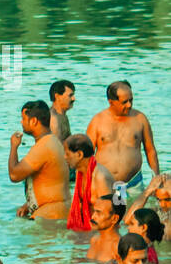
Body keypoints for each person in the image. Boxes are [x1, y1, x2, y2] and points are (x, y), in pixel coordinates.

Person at [85, 81, 160, 211]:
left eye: (131, 100)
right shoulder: (97, 121)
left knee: (136, 219)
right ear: (111, 101)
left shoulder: (140, 118)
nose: (129, 105)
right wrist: (85, 186)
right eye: (124, 102)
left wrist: (156, 178)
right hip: (106, 184)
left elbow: (150, 150)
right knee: (107, 220)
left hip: (133, 184)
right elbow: (86, 156)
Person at [10, 100, 69, 221]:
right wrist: (28, 205)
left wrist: (14, 147)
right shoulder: (53, 141)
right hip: (57, 211)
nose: (21, 122)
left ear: (34, 121)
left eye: (23, 118)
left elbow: (14, 175)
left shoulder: (44, 147)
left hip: (50, 215)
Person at [64, 134, 115, 230]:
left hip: (100, 232)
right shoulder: (80, 173)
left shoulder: (100, 177)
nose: (64, 157)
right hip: (88, 229)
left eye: (67, 154)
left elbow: (109, 216)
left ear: (79, 154)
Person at [88, 195, 124, 264]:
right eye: (94, 211)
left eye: (99, 213)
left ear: (114, 219)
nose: (93, 217)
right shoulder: (94, 240)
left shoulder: (119, 247)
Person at [49, 79, 76, 143]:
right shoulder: (53, 120)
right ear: (57, 96)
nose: (74, 99)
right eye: (70, 95)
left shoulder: (61, 115)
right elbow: (56, 149)